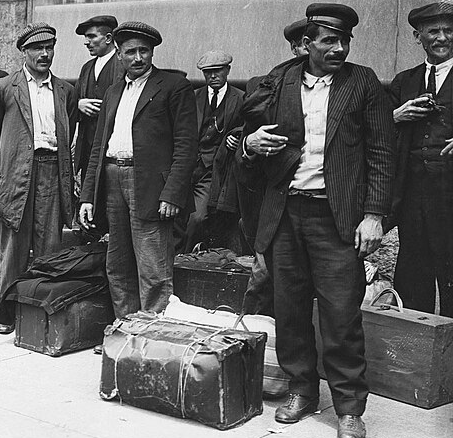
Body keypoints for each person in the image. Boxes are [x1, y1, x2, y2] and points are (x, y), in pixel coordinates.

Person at [238, 3, 393, 438]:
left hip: (337, 218)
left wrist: (374, 215)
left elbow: (383, 153)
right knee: (288, 312)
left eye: (344, 41)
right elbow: (244, 137)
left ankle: (348, 408)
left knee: (341, 316)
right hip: (286, 213)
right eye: (328, 41)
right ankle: (301, 390)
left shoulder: (361, 82)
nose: (339, 49)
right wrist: (251, 143)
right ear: (307, 43)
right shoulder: (280, 79)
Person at [79, 21, 198, 319]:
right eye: (130, 52)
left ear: (152, 52)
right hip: (112, 178)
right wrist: (87, 197)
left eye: (144, 51)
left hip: (149, 187)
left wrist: (171, 194)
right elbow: (98, 146)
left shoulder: (174, 86)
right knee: (117, 264)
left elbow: (186, 146)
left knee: (153, 267)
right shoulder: (113, 91)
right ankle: (126, 331)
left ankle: (151, 337)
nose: (138, 58)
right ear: (118, 54)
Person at [0, 23, 78, 334]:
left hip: (52, 171)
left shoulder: (65, 91)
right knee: (14, 248)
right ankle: (7, 311)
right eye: (37, 48)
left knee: (50, 247)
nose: (45, 54)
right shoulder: (2, 89)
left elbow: (68, 130)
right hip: (16, 172)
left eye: (50, 47)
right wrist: (12, 160)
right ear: (24, 51)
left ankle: (41, 312)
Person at [388, 2, 453, 317]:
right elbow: (372, 129)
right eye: (434, 31)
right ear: (418, 36)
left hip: (450, 195)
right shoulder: (404, 81)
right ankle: (417, 353)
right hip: (413, 195)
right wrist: (396, 115)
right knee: (413, 275)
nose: (442, 38)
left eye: (449, 30)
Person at [240, 17, 309, 316]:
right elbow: (246, 141)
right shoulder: (269, 85)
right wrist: (249, 145)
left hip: (325, 203)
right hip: (277, 200)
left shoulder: (350, 85)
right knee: (264, 273)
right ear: (295, 48)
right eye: (304, 45)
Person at [176, 50, 243, 253]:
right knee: (175, 215)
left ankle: (184, 259)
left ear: (227, 70)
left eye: (217, 71)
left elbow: (249, 128)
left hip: (216, 169)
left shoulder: (240, 99)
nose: (212, 76)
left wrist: (236, 137)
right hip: (188, 167)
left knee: (197, 218)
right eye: (207, 72)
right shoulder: (193, 97)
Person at [73, 15, 124, 186]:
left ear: (108, 38)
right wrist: (79, 104)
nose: (86, 42)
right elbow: (74, 98)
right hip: (88, 147)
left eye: (92, 36)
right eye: (85, 38)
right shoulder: (87, 68)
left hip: (113, 146)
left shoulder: (123, 65)